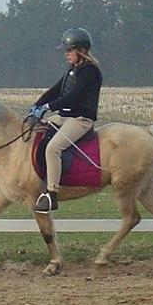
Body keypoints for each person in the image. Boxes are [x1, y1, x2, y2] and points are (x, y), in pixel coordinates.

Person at [29, 27, 103, 213]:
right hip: (64, 116)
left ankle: (51, 194)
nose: (66, 55)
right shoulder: (73, 70)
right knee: (41, 130)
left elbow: (74, 97)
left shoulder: (90, 72)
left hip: (80, 119)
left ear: (81, 50)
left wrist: (48, 107)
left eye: (69, 50)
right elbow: (55, 90)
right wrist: (37, 105)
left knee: (54, 148)